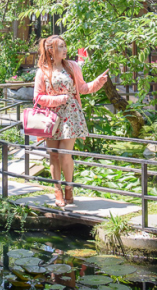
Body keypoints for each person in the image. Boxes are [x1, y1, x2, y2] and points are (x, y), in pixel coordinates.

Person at [33, 35, 109, 207]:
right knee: (53, 154)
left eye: (65, 46)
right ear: (51, 50)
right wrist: (59, 99)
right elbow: (37, 98)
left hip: (70, 115)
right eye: (61, 46)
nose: (65, 49)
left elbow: (82, 88)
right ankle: (57, 190)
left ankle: (69, 188)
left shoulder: (72, 66)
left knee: (64, 153)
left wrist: (98, 83)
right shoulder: (42, 71)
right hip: (50, 118)